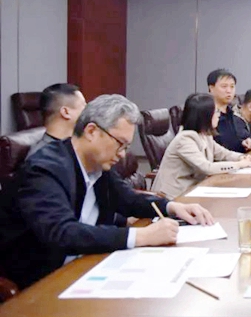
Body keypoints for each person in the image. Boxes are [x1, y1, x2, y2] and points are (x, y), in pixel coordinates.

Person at [0, 94, 214, 289]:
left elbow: (129, 199)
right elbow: (62, 233)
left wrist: (172, 207)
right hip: (46, 279)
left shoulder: (97, 165)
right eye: (120, 144)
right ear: (91, 131)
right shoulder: (45, 168)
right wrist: (141, 236)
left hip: (90, 263)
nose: (122, 155)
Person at [151, 93, 251, 200]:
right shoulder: (185, 139)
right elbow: (207, 168)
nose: (219, 115)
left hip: (194, 189)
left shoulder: (205, 134)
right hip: (173, 196)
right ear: (205, 116)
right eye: (216, 111)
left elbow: (222, 153)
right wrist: (239, 164)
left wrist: (241, 157)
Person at [26, 83, 87, 159]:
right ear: (66, 112)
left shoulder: (76, 146)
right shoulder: (41, 158)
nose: (88, 111)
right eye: (84, 106)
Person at [206, 68, 251, 152]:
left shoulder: (231, 114)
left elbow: (231, 143)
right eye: (224, 86)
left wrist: (243, 143)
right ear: (211, 88)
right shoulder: (206, 114)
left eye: (232, 86)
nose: (229, 91)